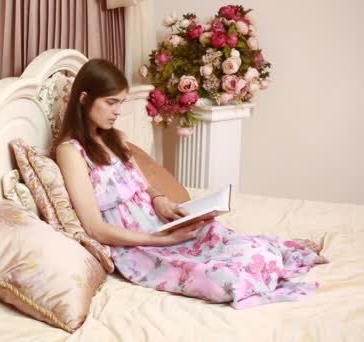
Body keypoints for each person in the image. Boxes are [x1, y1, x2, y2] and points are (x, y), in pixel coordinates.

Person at [53, 59, 328, 309]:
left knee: (246, 246)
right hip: (138, 245)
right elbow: (94, 227)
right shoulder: (71, 151)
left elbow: (142, 184)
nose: (117, 111)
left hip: (161, 226)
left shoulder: (116, 137)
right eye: (111, 102)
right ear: (84, 98)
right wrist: (159, 240)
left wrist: (159, 198)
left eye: (121, 103)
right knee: (224, 279)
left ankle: (265, 251)